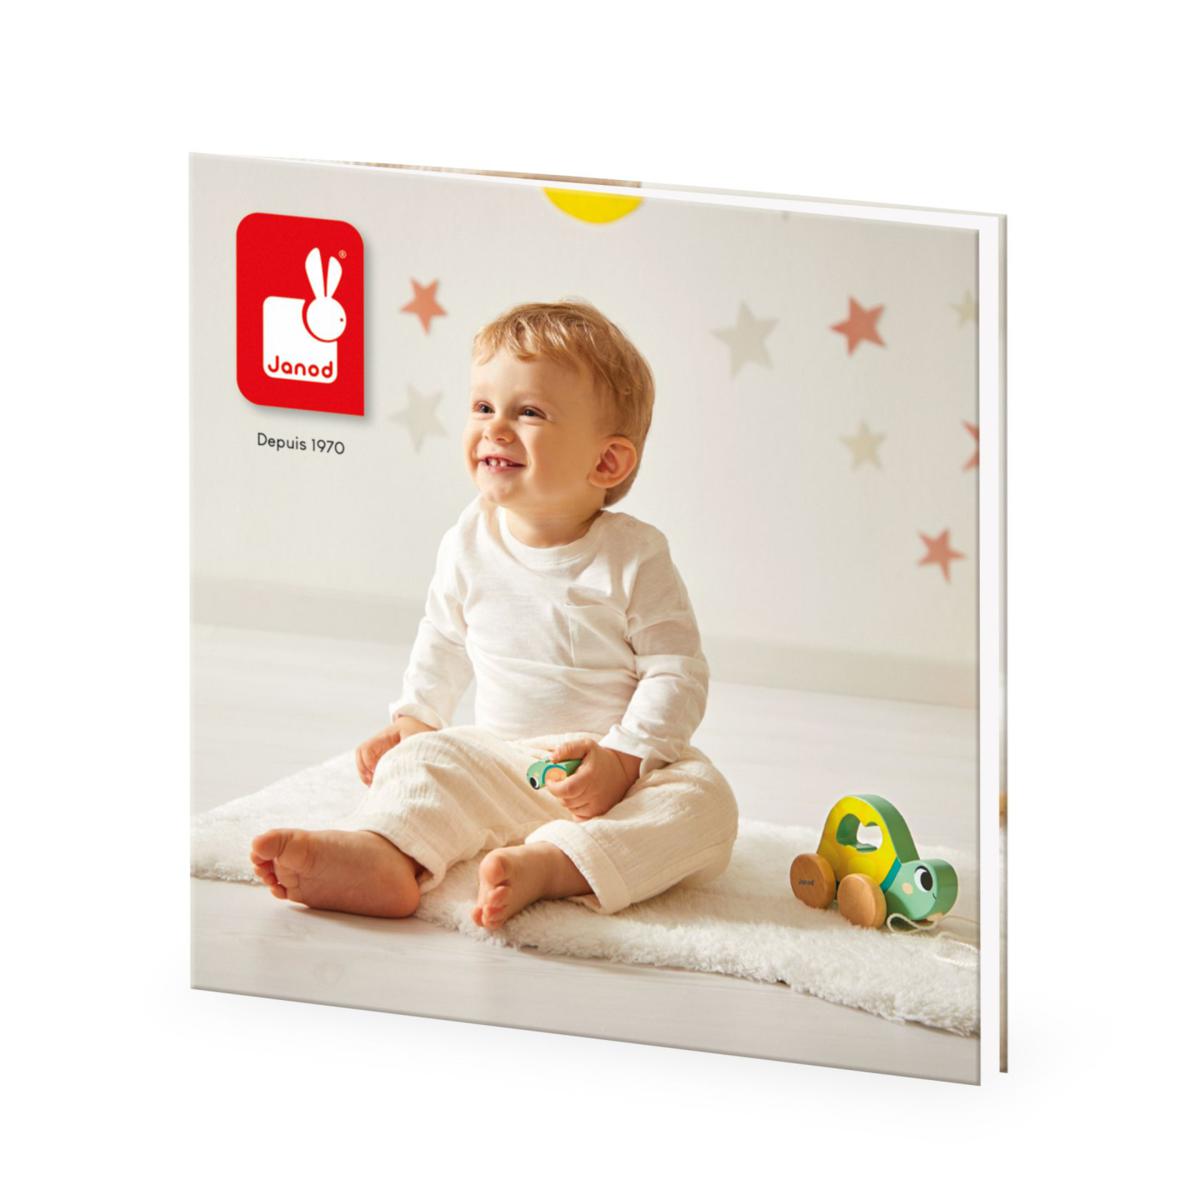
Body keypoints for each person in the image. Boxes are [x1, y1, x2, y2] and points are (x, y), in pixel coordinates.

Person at [250, 299, 738, 928]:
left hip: (616, 777)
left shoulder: (635, 556)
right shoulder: (468, 540)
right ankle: (383, 855)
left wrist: (625, 759)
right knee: (420, 763)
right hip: (507, 764)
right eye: (483, 407)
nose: (495, 428)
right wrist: (416, 720)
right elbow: (444, 637)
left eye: (528, 412)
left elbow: (677, 672)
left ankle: (555, 865)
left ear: (606, 462)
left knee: (705, 804)